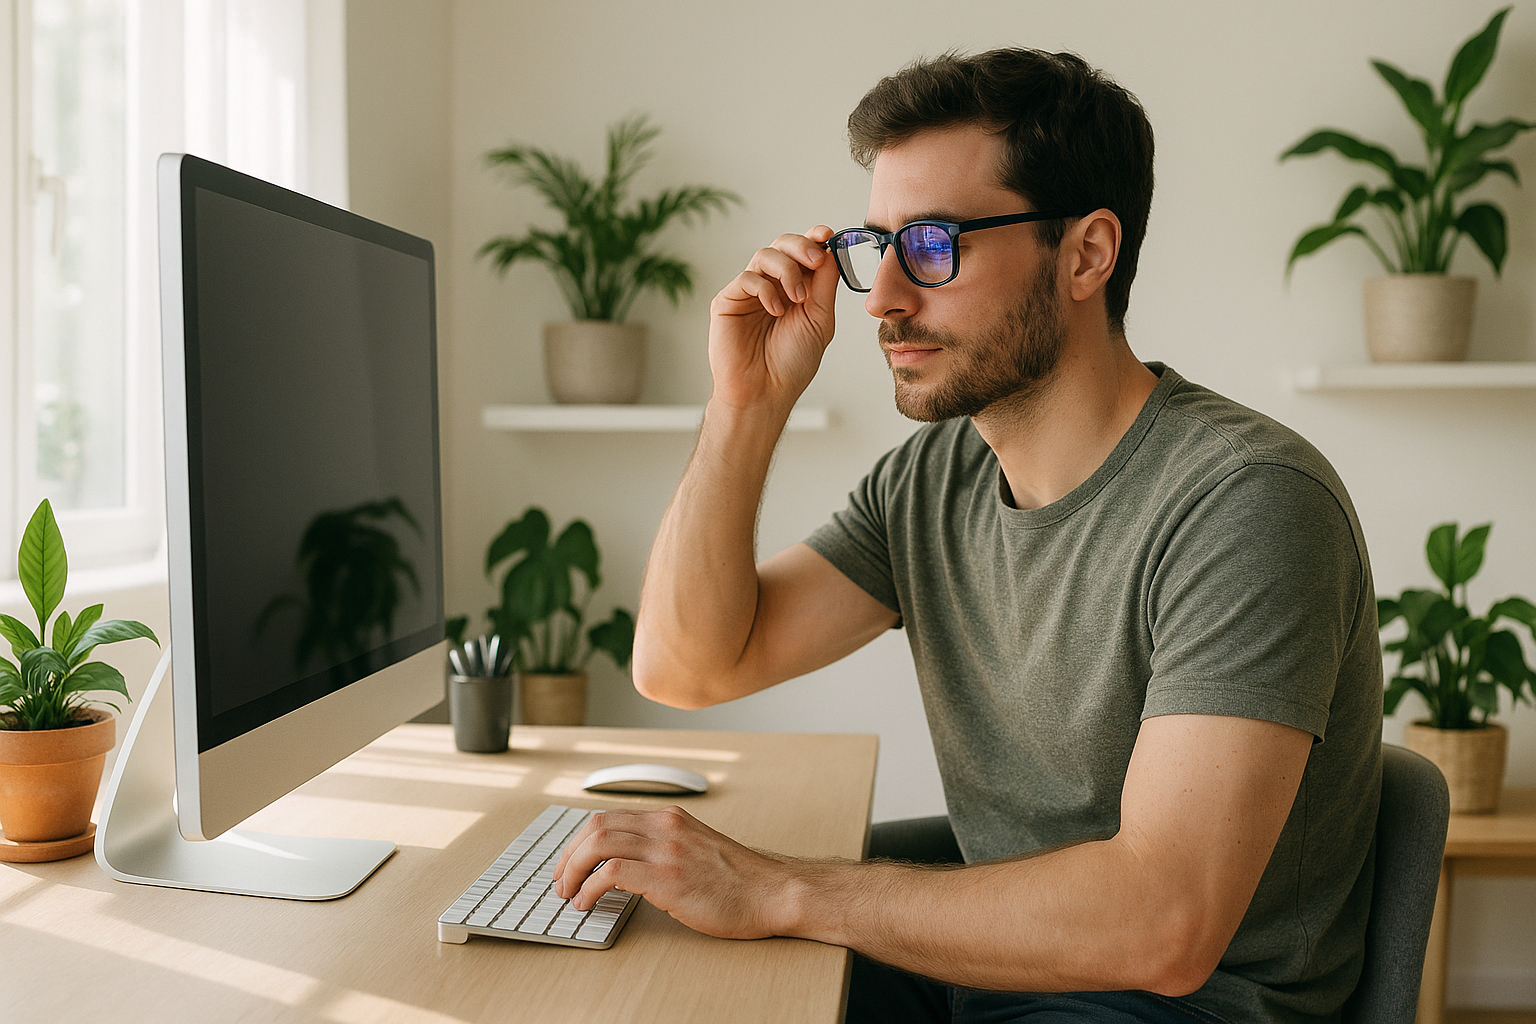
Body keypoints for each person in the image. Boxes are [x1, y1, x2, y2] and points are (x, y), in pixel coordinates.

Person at [552, 48, 1383, 1024]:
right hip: (990, 979)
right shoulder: (933, 480)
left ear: (1086, 253)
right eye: (878, 244)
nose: (883, 299)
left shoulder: (1246, 501)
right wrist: (746, 405)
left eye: (936, 244)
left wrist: (778, 887)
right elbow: (688, 666)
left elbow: (1165, 925)